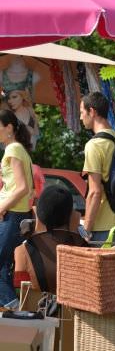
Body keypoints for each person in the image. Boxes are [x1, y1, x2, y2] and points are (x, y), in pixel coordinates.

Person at [79, 91, 115, 244]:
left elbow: (95, 192)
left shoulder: (94, 145)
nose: (81, 117)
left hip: (104, 229)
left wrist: (85, 231)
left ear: (92, 112)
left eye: (82, 112)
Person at [14, 185, 87, 294]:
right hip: (76, 310)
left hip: (38, 309)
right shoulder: (86, 251)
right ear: (71, 214)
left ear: (39, 211)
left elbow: (21, 292)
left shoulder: (22, 251)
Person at [0, 109, 34, 307]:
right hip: (17, 215)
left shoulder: (13, 150)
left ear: (9, 128)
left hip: (12, 216)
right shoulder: (19, 149)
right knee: (3, 268)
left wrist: (2, 206)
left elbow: (22, 188)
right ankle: (14, 312)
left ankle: (16, 311)